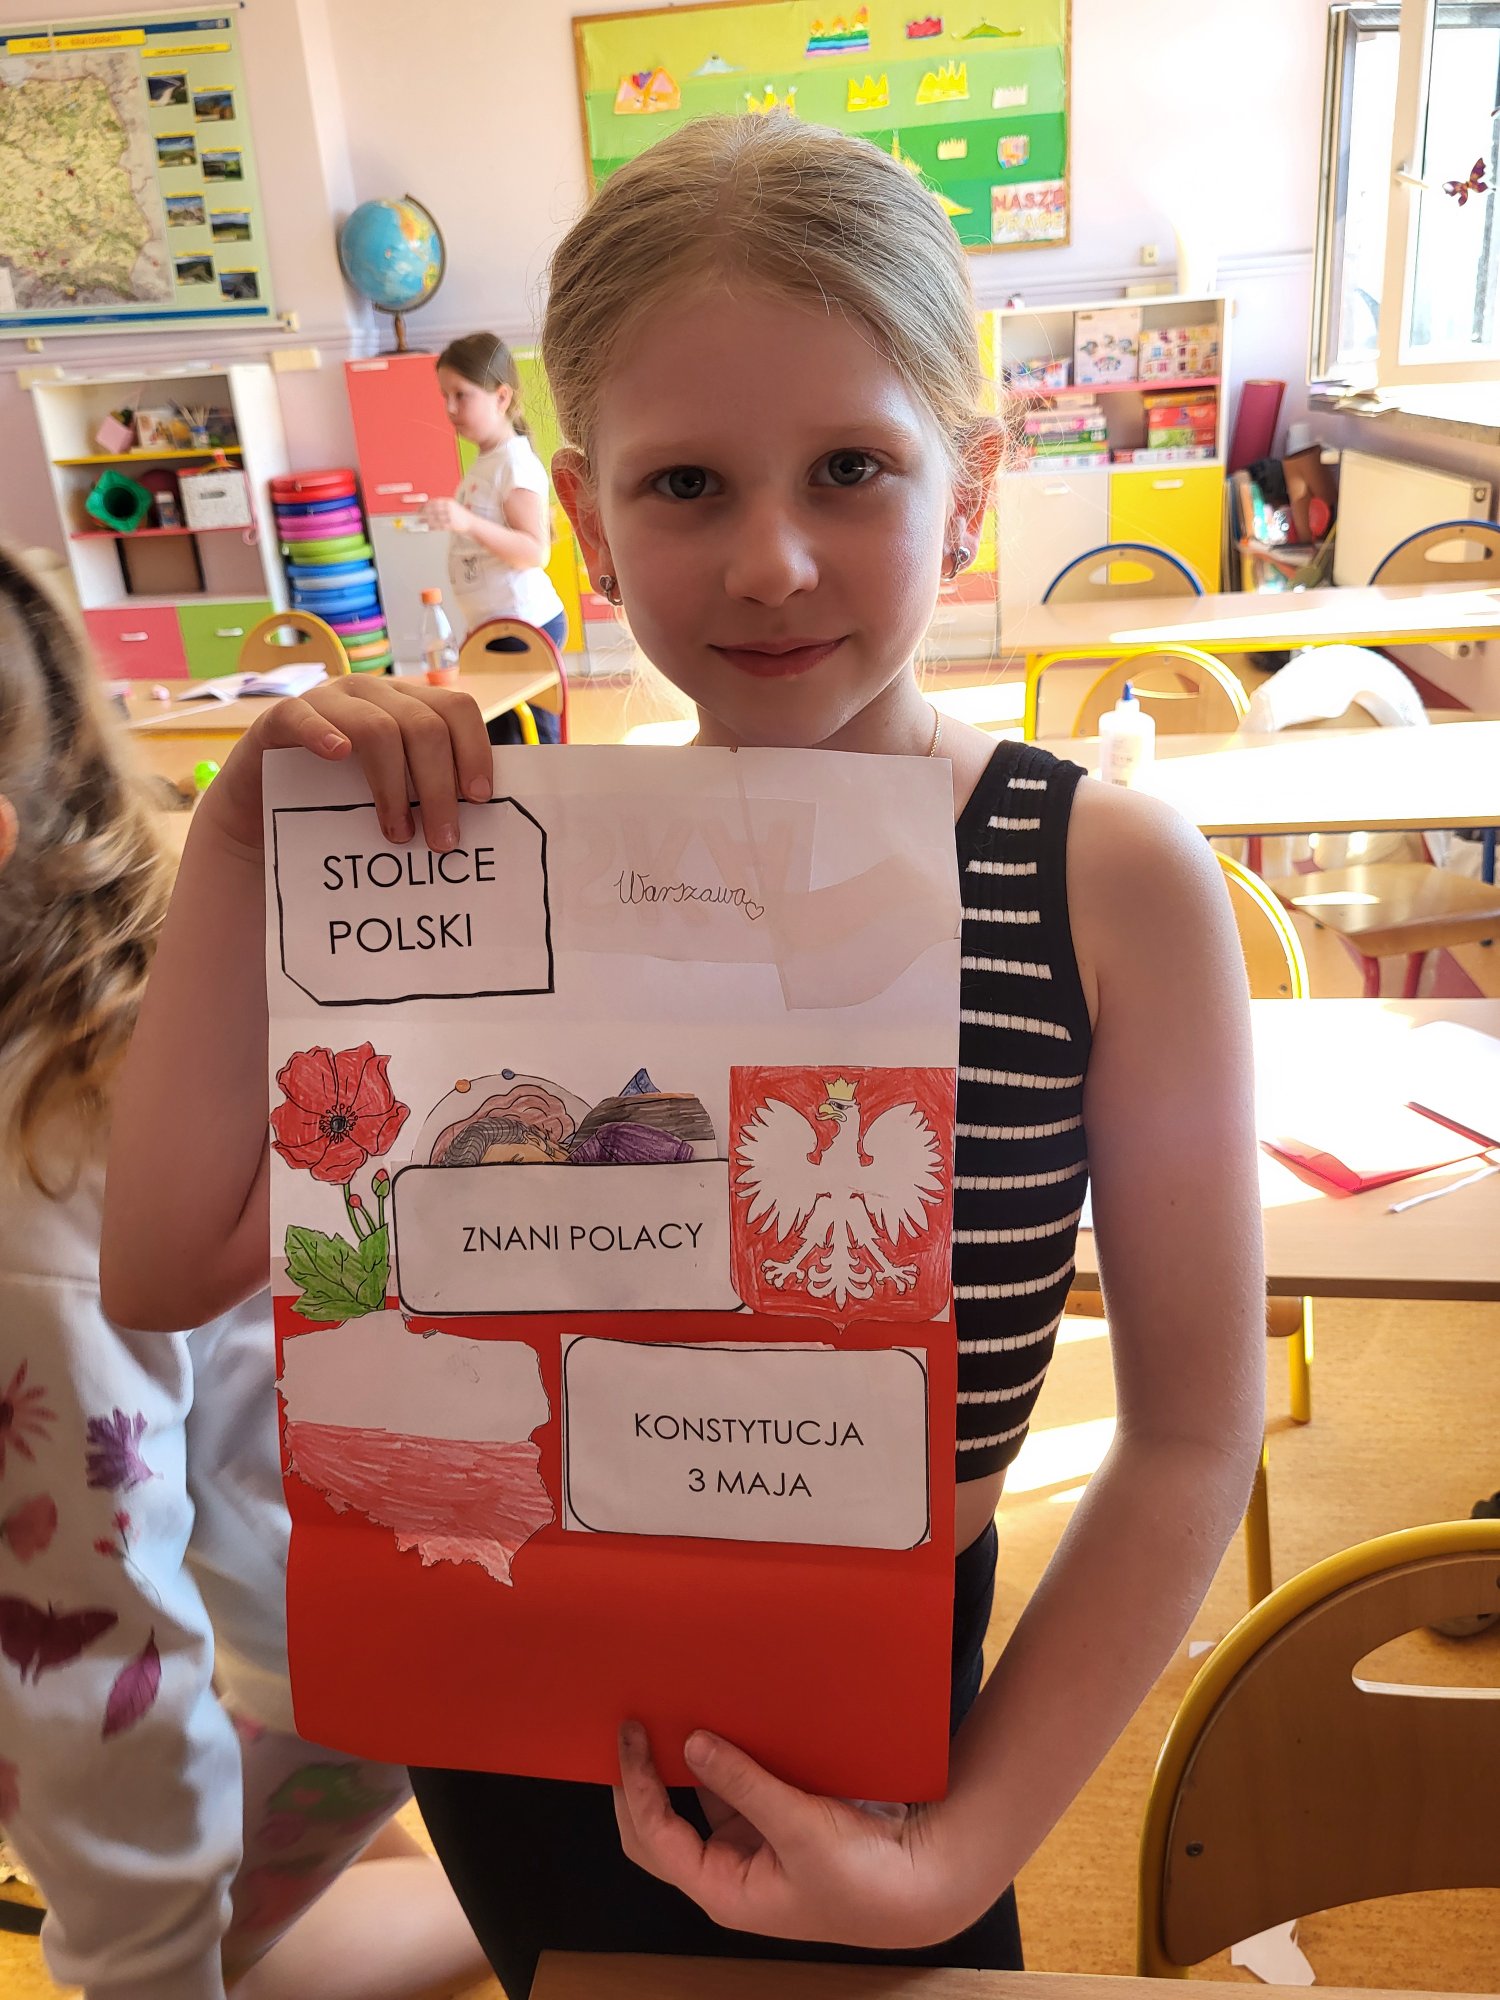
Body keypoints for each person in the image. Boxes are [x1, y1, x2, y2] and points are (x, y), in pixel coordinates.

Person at [102, 115, 1265, 1998]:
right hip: (514, 1699)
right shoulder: (497, 873)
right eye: (689, 486)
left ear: (969, 486)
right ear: (584, 516)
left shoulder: (1102, 882)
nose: (774, 561)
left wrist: (954, 1858)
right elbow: (164, 1263)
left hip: (884, 1750)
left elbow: (1196, 1430)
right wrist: (244, 851)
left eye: (851, 469)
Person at [0, 546, 487, 2000]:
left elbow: (98, 1670)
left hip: (358, 1654)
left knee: (230, 1960)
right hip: (308, 1588)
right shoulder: (96, 986)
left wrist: (145, 1973)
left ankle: (522, 1885)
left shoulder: (32, 1215)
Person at [423, 331, 568, 655]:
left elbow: (534, 552)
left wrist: (467, 522)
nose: (450, 408)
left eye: (461, 395)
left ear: (501, 397)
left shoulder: (514, 464)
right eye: (445, 395)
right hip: (496, 627)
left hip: (524, 626)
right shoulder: (489, 461)